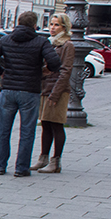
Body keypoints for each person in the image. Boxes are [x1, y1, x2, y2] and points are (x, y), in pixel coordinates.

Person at [0, 11, 61, 177]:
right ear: (35, 25)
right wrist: (43, 71)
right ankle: (21, 168)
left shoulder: (6, 39)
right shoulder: (41, 41)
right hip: (30, 91)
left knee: (3, 130)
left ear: (18, 23)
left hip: (8, 89)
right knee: (27, 131)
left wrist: (1, 72)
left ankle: (0, 166)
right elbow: (55, 63)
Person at [32, 12, 75, 174]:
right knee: (46, 124)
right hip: (46, 88)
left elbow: (65, 71)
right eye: (51, 24)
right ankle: (42, 159)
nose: (52, 28)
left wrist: (56, 94)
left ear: (64, 27)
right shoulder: (52, 44)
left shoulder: (67, 45)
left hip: (58, 90)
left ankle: (55, 161)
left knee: (56, 124)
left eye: (56, 25)